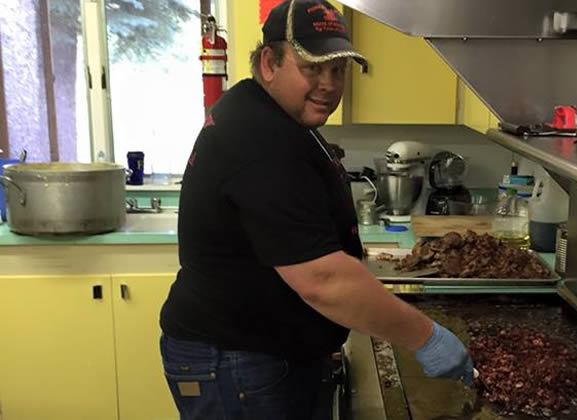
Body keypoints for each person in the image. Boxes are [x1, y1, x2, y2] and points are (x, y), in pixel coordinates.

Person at [159, 1, 474, 419]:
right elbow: (321, 281)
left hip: (259, 353)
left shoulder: (270, 115)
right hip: (238, 364)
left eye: (338, 69)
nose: (329, 84)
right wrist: (425, 336)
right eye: (312, 67)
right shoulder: (261, 139)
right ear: (270, 62)